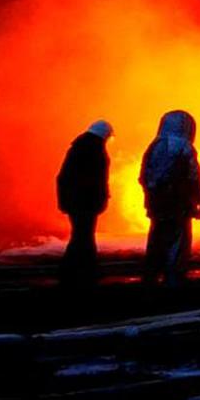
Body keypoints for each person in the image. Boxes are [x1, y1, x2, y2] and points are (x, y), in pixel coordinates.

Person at [139, 110, 200, 286]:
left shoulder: (154, 146)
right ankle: (173, 282)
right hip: (179, 204)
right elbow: (194, 176)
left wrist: (151, 197)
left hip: (157, 204)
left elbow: (143, 176)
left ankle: (150, 279)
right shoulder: (184, 147)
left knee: (156, 240)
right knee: (178, 243)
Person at [56, 120, 113, 288]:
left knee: (82, 235)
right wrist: (100, 198)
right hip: (85, 201)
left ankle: (83, 269)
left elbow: (63, 177)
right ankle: (77, 270)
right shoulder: (94, 149)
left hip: (77, 200)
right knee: (83, 236)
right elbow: (96, 179)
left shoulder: (80, 146)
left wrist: (64, 201)